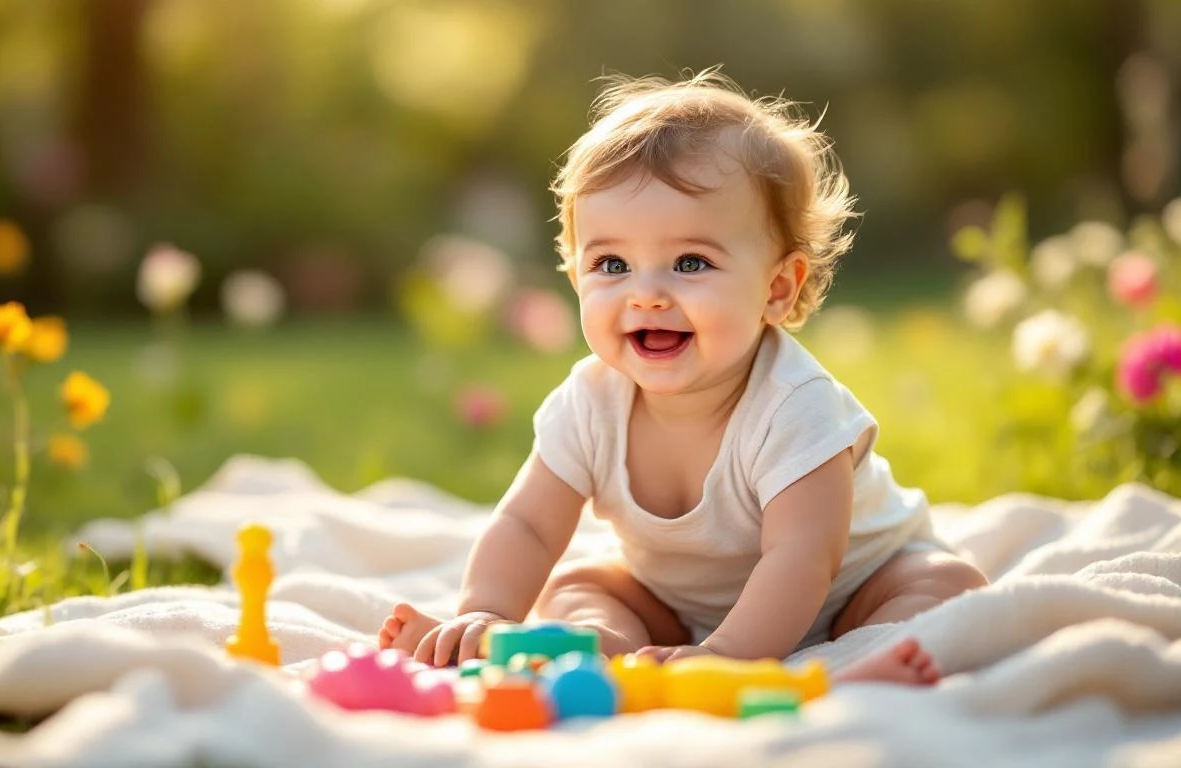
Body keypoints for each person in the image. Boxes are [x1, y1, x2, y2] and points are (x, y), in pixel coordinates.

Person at [378, 69, 988, 684]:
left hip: (852, 590)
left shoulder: (796, 405)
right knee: (576, 585)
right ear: (575, 277)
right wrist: (483, 609)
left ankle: (857, 662)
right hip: (677, 609)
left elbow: (804, 556)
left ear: (777, 289)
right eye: (611, 264)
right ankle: (611, 647)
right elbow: (528, 525)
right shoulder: (590, 402)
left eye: (690, 262)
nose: (646, 295)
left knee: (945, 583)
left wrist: (727, 658)